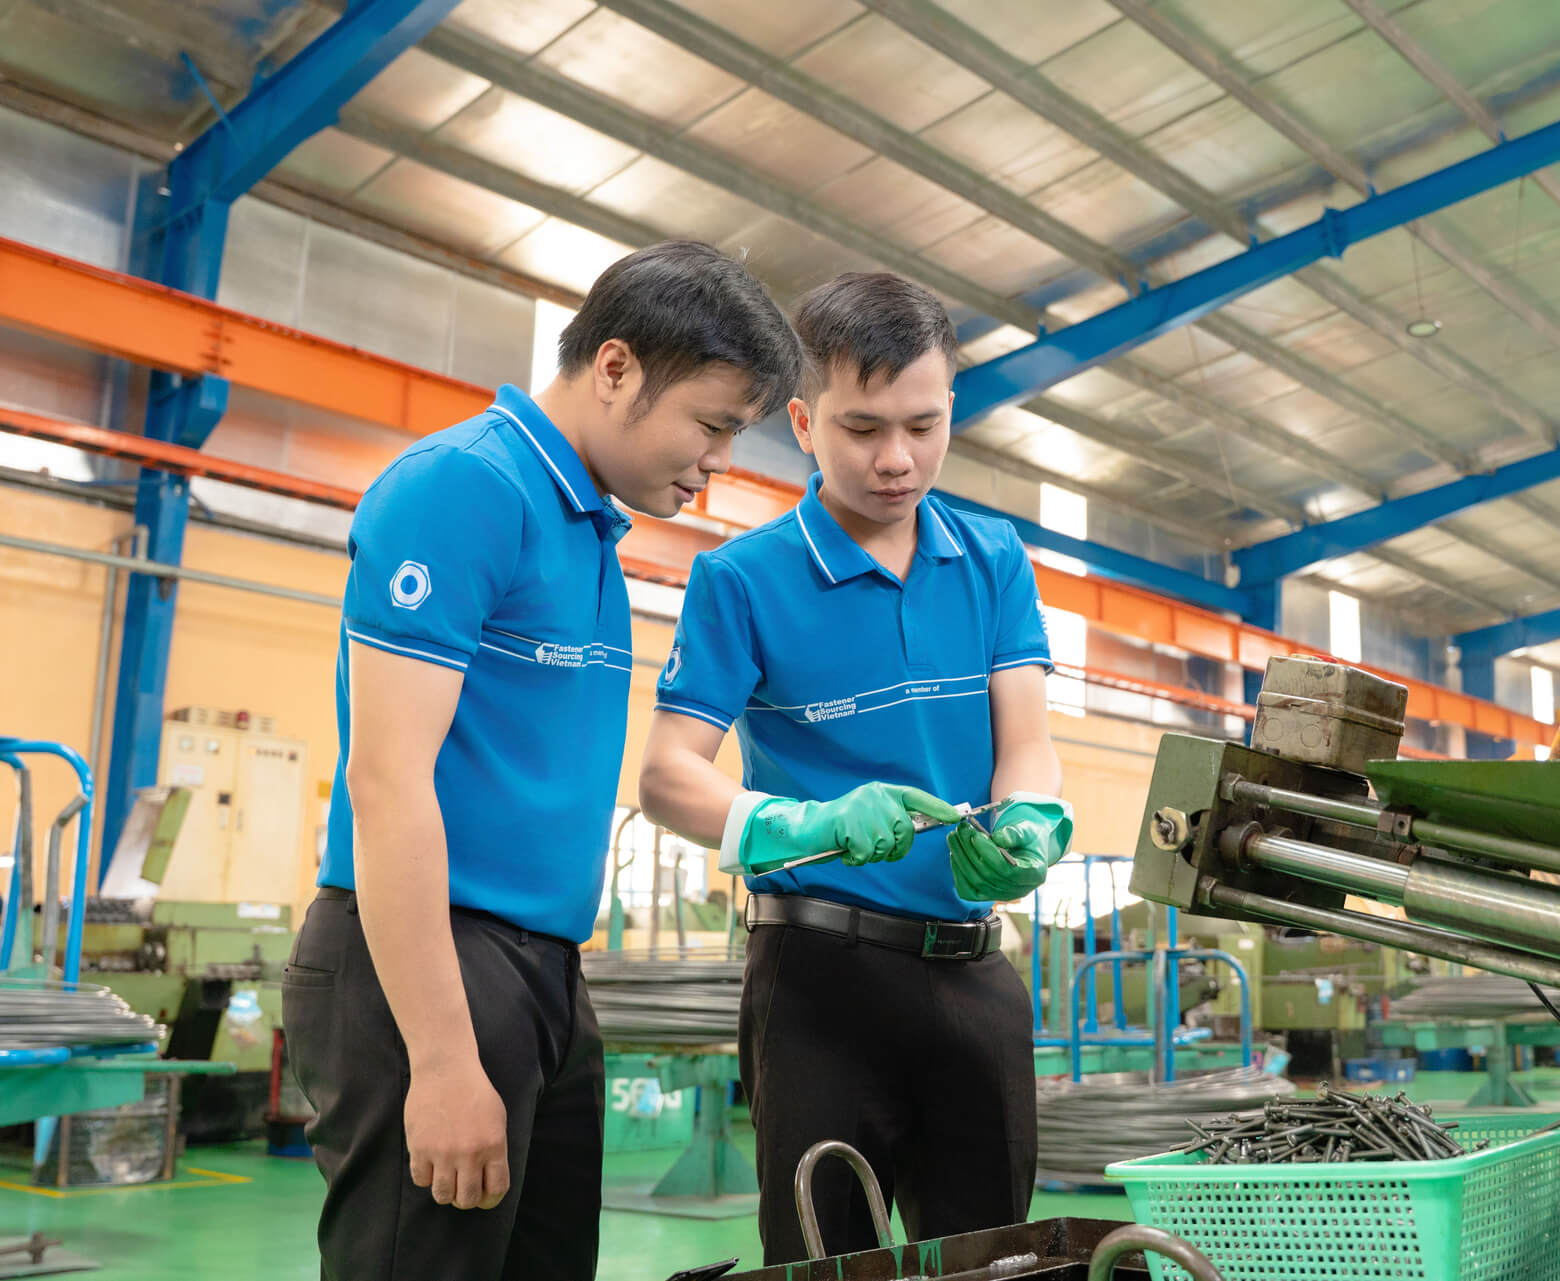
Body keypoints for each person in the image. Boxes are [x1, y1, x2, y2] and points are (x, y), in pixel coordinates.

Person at [283, 241, 801, 1281]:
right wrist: (441, 1055)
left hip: (546, 970)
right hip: (428, 958)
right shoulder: (465, 488)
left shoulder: (589, 531)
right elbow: (386, 780)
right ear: (615, 367)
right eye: (710, 425)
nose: (718, 462)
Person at [639, 271, 1074, 1264]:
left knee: (997, 1262)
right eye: (862, 428)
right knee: (824, 1260)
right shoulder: (742, 579)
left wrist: (1031, 818)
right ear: (802, 422)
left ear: (950, 407)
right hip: (819, 986)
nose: (896, 459)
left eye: (923, 426)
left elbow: (1027, 745)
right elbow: (666, 775)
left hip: (974, 974)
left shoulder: (994, 559)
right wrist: (808, 824)